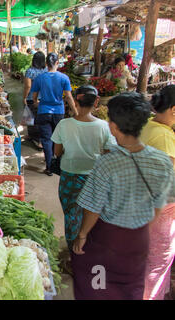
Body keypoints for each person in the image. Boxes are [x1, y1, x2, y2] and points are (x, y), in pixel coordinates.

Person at [71, 92, 175, 300]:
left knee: (98, 285)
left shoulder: (107, 162)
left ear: (114, 126)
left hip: (108, 240)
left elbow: (93, 207)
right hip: (138, 240)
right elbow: (160, 203)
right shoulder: (163, 161)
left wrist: (82, 235)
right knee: (131, 286)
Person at [51, 85, 116, 249]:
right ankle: (89, 248)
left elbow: (57, 152)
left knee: (72, 214)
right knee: (91, 214)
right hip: (94, 178)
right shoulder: (104, 126)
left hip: (69, 178)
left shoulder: (64, 125)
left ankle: (73, 251)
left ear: (75, 101)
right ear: (96, 102)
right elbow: (108, 154)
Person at [140, 85, 175, 300]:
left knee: (150, 258)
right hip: (161, 209)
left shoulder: (149, 127)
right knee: (158, 263)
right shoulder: (163, 137)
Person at [30, 53, 78, 176]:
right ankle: (57, 163)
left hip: (43, 111)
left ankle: (49, 167)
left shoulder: (40, 78)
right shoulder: (64, 78)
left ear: (46, 64)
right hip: (58, 112)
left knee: (46, 139)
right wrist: (75, 111)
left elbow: (34, 97)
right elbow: (68, 96)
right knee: (58, 139)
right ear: (57, 63)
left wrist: (36, 103)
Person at [23, 51, 47, 149]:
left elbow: (28, 86)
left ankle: (39, 141)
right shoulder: (46, 70)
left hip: (32, 98)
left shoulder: (30, 71)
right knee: (40, 118)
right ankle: (32, 136)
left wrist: (24, 97)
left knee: (32, 117)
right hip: (44, 97)